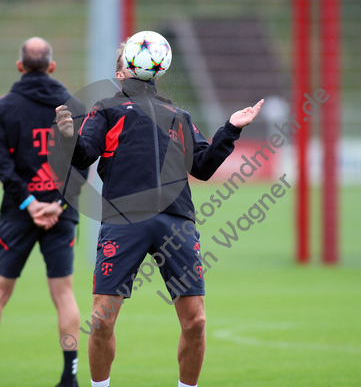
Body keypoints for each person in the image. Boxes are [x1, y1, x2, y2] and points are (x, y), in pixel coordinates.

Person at [56, 36, 264, 387]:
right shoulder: (105, 109)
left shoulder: (177, 115)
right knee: (102, 320)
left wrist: (230, 130)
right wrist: (67, 137)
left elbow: (202, 167)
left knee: (196, 322)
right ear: (121, 74)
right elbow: (84, 155)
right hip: (123, 222)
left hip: (176, 222)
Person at [0, 37, 88, 387]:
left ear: (20, 66)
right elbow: (82, 163)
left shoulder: (5, 107)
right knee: (64, 293)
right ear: (51, 66)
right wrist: (59, 203)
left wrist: (28, 203)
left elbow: (3, 165)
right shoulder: (75, 106)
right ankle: (70, 377)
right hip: (60, 212)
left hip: (18, 213)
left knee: (2, 290)